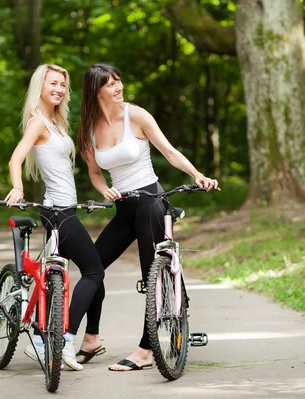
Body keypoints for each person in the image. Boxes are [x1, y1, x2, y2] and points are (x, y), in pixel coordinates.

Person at [76, 63, 219, 371]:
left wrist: (197, 175)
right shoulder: (89, 128)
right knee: (92, 268)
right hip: (124, 209)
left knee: (149, 276)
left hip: (151, 202)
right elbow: (94, 173)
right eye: (110, 84)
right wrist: (104, 190)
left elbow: (169, 152)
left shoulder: (136, 115)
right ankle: (91, 337)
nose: (118, 87)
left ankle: (146, 349)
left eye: (119, 80)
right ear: (95, 91)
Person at [4, 64, 107, 371]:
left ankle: (39, 337)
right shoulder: (38, 123)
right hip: (59, 213)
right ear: (41, 87)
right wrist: (18, 186)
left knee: (55, 278)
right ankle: (65, 339)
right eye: (53, 83)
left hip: (63, 209)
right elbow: (16, 158)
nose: (60, 89)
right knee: (94, 273)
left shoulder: (56, 123)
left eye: (63, 84)